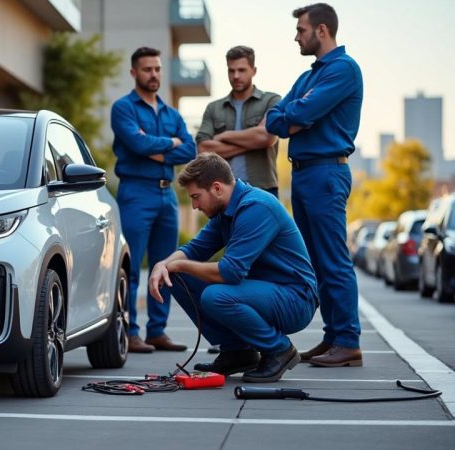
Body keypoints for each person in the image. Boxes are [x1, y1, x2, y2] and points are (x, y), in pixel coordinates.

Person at [148, 153, 317, 382]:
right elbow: (195, 248)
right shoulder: (225, 210)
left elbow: (230, 272)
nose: (195, 205)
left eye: (196, 197)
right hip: (265, 292)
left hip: (295, 299)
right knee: (174, 276)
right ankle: (237, 352)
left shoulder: (256, 207)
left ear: (217, 188)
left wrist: (178, 264)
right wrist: (163, 265)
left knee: (216, 296)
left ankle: (280, 350)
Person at [265, 3, 364, 367]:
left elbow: (300, 114)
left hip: (326, 172)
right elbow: (274, 120)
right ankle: (333, 336)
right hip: (304, 173)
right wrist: (295, 118)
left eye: (301, 30)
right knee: (317, 262)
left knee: (334, 260)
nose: (296, 37)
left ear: (321, 30)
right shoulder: (309, 78)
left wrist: (298, 117)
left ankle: (349, 341)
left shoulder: (343, 70)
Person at [111, 46, 197, 353]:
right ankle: (130, 331)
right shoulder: (123, 108)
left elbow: (190, 149)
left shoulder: (171, 113)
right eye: (147, 69)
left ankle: (157, 331)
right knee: (132, 266)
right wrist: (168, 144)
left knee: (167, 265)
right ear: (134, 72)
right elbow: (135, 142)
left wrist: (155, 147)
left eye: (158, 69)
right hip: (136, 192)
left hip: (167, 193)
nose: (154, 74)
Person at [196, 45, 281, 197]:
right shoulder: (214, 108)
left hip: (263, 189)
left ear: (254, 71)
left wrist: (225, 136)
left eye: (241, 70)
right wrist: (254, 142)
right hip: (223, 191)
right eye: (231, 70)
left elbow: (267, 138)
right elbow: (203, 149)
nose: (235, 76)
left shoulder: (272, 100)